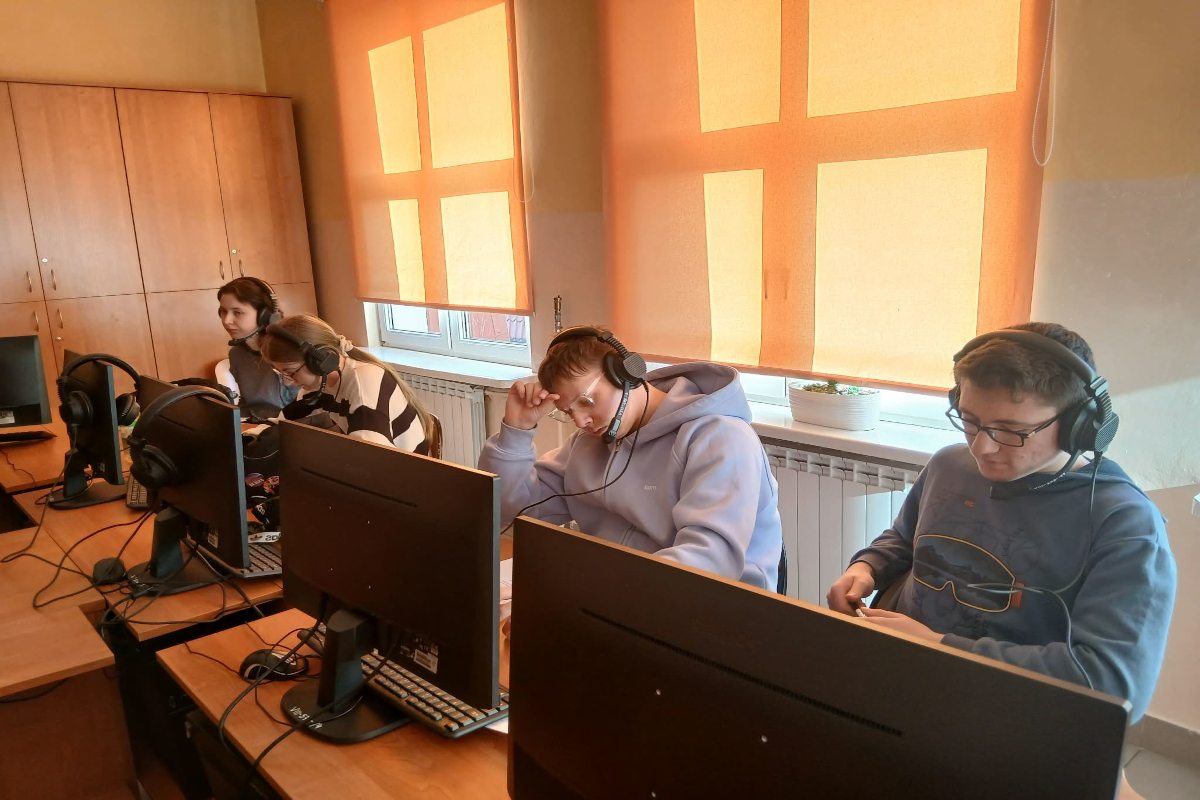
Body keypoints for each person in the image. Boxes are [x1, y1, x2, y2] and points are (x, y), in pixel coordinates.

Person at [827, 322, 1176, 723]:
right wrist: (867, 566)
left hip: (1007, 717)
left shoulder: (1127, 525)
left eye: (1011, 431)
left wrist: (938, 646)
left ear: (1079, 427)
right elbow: (907, 539)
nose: (982, 447)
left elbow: (1111, 684)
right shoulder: (948, 464)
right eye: (969, 419)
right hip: (902, 685)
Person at [477, 326, 783, 591]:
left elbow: (709, 560)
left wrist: (598, 590)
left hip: (710, 607)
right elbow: (513, 510)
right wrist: (517, 430)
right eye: (569, 411)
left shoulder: (721, 439)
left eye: (586, 401)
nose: (581, 421)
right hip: (620, 595)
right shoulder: (589, 443)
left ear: (627, 373)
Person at [258, 314, 434, 454]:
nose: (287, 382)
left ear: (319, 360)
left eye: (290, 372)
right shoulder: (320, 384)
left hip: (406, 477)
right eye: (281, 373)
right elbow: (285, 421)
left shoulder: (364, 383)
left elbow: (371, 456)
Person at [216, 277, 297, 419]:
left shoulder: (289, 351)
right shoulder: (237, 354)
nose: (226, 321)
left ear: (264, 316)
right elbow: (248, 403)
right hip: (258, 425)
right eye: (223, 311)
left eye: (238, 312)